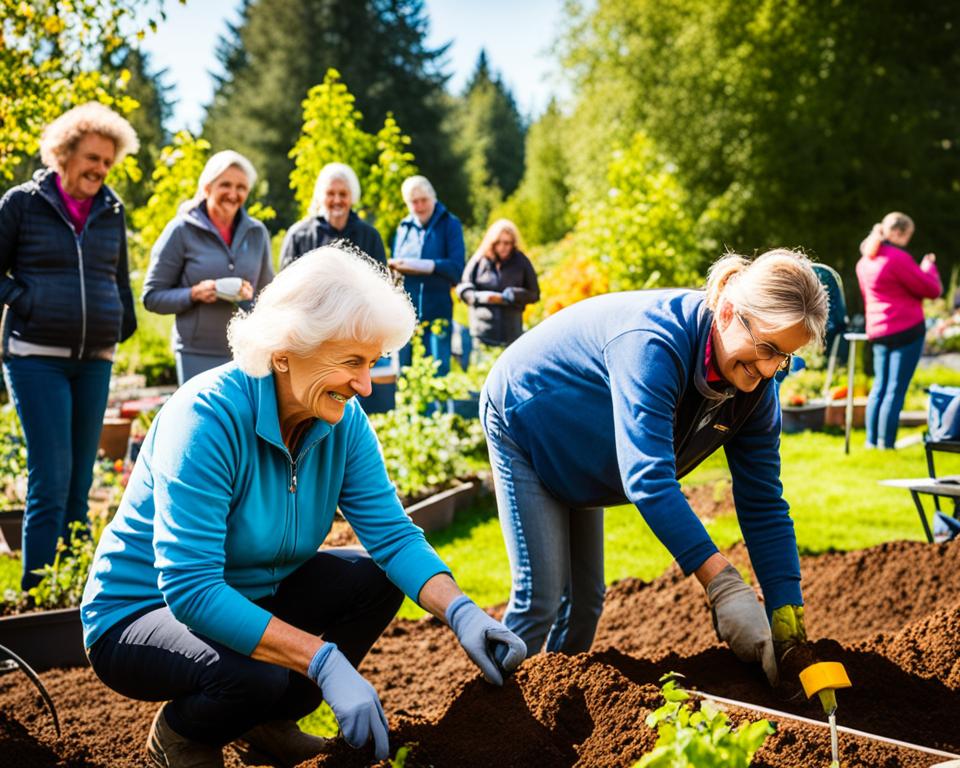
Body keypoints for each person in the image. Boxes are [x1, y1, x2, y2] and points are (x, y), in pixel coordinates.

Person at [80, 246, 525, 767]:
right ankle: (182, 736)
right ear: (287, 349)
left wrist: (463, 611)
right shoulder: (207, 417)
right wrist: (321, 660)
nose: (364, 385)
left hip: (249, 591)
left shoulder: (341, 423)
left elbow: (394, 536)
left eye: (372, 362)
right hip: (141, 611)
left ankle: (266, 725)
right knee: (255, 674)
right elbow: (191, 588)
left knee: (377, 580)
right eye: (351, 362)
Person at [480, 249, 828, 685]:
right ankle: (490, 713)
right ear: (727, 311)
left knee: (586, 602)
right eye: (765, 347)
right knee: (539, 599)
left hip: (587, 449)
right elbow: (648, 477)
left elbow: (763, 502)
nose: (767, 368)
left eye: (783, 357)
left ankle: (550, 705)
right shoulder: (654, 343)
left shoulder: (756, 391)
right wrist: (722, 584)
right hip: (526, 422)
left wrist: (787, 624)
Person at [0, 102, 138, 591]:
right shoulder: (22, 203)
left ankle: (78, 586)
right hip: (36, 357)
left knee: (83, 483)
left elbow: (118, 276)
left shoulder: (111, 209)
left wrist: (122, 320)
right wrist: (26, 300)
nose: (100, 169)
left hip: (94, 359)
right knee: (51, 480)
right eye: (92, 158)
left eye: (107, 161)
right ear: (64, 154)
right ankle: (37, 590)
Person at [142, 150, 274, 386]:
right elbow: (152, 297)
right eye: (225, 185)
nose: (233, 194)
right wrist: (194, 294)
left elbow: (269, 299)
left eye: (241, 187)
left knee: (242, 422)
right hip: (196, 353)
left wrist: (250, 296)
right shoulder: (181, 230)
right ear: (207, 187)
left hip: (246, 353)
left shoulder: (257, 233)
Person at [857, 212, 941, 449]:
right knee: (895, 388)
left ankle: (872, 441)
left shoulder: (865, 261)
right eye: (908, 235)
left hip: (879, 331)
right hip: (906, 328)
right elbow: (930, 289)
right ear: (897, 232)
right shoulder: (897, 258)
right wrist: (929, 267)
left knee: (879, 385)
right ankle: (887, 443)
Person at [390, 175, 464, 376]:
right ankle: (407, 406)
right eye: (414, 202)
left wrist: (428, 266)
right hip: (407, 312)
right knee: (405, 371)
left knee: (438, 372)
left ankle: (438, 408)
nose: (420, 206)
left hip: (437, 310)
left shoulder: (450, 224)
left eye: (424, 200)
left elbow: (457, 269)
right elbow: (397, 263)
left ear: (434, 198)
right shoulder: (404, 227)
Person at [279, 162, 386, 269]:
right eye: (330, 193)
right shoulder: (299, 236)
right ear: (321, 196)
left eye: (343, 194)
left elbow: (381, 282)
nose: (337, 200)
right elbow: (285, 282)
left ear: (352, 196)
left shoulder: (370, 237)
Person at [457, 219, 540, 350]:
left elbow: (534, 294)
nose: (502, 247)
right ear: (491, 242)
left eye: (507, 243)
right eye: (498, 243)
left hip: (511, 333)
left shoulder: (521, 261)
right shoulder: (479, 260)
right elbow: (463, 288)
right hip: (482, 332)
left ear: (513, 243)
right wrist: (483, 297)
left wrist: (512, 295)